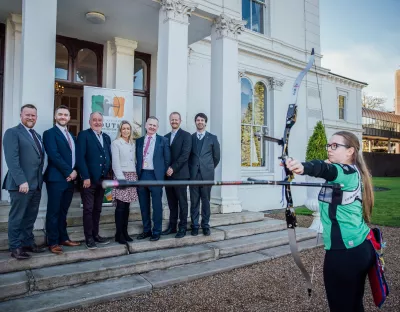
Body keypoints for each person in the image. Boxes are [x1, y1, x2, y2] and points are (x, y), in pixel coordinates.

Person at [285, 131, 375, 312]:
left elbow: (326, 169)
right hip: (360, 247)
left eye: (335, 146)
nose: (329, 149)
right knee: (353, 305)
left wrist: (303, 167)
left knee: (341, 307)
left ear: (350, 151)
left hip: (345, 253)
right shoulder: (351, 172)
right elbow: (328, 169)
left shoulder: (346, 172)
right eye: (329, 145)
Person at [2, 104, 46, 259]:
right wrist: (22, 181)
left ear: (36, 117)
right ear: (21, 115)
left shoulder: (37, 135)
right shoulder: (12, 133)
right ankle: (15, 247)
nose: (30, 118)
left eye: (33, 115)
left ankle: (28, 242)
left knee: (30, 217)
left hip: (36, 184)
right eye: (27, 115)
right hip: (21, 185)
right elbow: (12, 160)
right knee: (17, 216)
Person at [43, 105, 80, 254]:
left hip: (70, 180)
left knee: (63, 211)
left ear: (69, 118)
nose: (63, 117)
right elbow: (54, 155)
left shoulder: (71, 135)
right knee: (53, 211)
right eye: (60, 114)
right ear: (55, 116)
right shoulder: (49, 133)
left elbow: (74, 157)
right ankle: (52, 242)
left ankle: (63, 237)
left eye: (66, 115)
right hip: (56, 178)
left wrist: (75, 171)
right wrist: (69, 171)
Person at [76, 112, 112, 249]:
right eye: (94, 120)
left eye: (99, 120)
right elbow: (80, 158)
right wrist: (85, 176)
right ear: (89, 121)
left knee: (97, 209)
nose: (97, 122)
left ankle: (96, 234)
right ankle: (89, 238)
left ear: (103, 122)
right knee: (88, 209)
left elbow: (108, 156)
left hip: (102, 180)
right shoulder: (84, 135)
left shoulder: (106, 137)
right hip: (88, 180)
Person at [136, 117, 170, 242]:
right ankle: (146, 230)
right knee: (144, 206)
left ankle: (157, 231)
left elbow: (167, 160)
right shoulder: (139, 141)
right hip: (142, 175)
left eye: (154, 125)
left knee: (157, 206)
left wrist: (162, 177)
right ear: (145, 125)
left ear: (157, 127)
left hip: (156, 177)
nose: (152, 127)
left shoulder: (163, 140)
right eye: (150, 125)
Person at [189, 113, 220, 236]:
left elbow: (216, 157)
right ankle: (195, 225)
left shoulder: (212, 138)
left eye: (202, 120)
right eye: (198, 120)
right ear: (195, 122)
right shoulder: (190, 138)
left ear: (205, 122)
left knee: (206, 201)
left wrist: (208, 168)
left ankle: (205, 225)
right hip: (193, 176)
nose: (200, 122)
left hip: (207, 175)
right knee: (194, 202)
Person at [162, 112, 192, 238]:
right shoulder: (165, 137)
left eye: (176, 119)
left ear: (180, 121)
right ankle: (172, 226)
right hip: (168, 176)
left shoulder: (186, 135)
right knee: (171, 202)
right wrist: (166, 170)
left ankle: (183, 228)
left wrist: (172, 168)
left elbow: (185, 155)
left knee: (182, 202)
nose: (174, 121)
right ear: (170, 121)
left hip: (180, 175)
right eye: (172, 119)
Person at [111, 120, 138, 244]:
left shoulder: (133, 143)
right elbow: (115, 164)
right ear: (120, 130)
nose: (126, 131)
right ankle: (119, 234)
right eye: (124, 129)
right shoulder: (116, 143)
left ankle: (125, 232)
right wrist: (121, 179)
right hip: (121, 176)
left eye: (128, 128)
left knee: (127, 207)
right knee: (120, 207)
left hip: (132, 176)